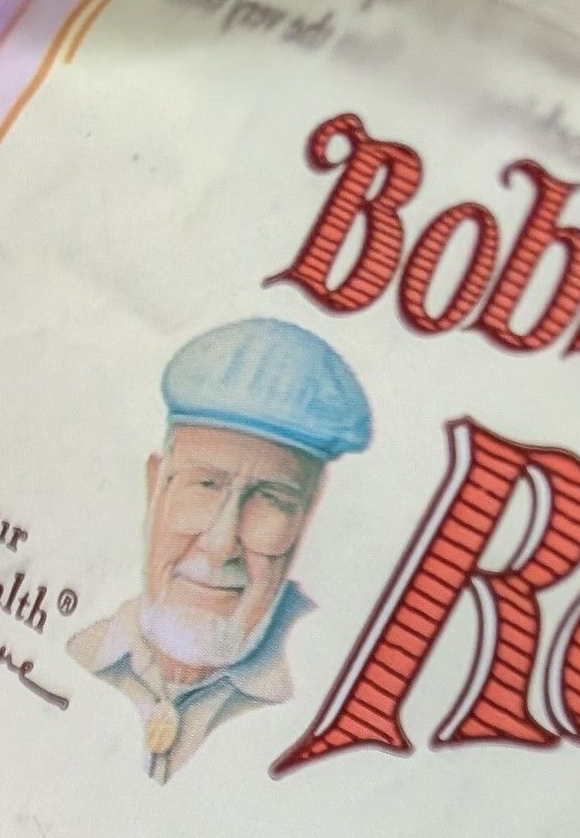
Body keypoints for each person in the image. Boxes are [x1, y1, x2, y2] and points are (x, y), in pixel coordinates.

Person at [70, 316, 372, 779]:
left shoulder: (324, 701)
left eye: (270, 500)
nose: (219, 545)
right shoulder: (81, 651)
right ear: (156, 488)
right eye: (205, 486)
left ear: (305, 518)